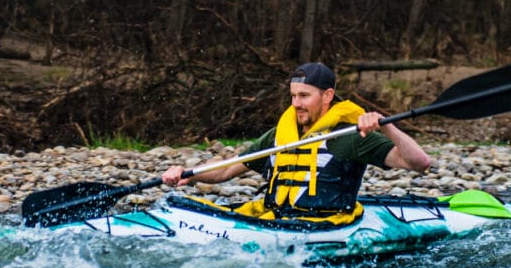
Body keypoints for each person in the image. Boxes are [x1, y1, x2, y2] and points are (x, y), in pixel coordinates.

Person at [161, 62, 431, 224]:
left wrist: (388, 127)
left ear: (327, 96)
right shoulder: (281, 135)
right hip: (277, 219)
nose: (296, 104)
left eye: (304, 96)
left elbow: (419, 164)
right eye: (293, 96)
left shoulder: (349, 136)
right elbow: (225, 171)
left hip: (326, 224)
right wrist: (188, 175)